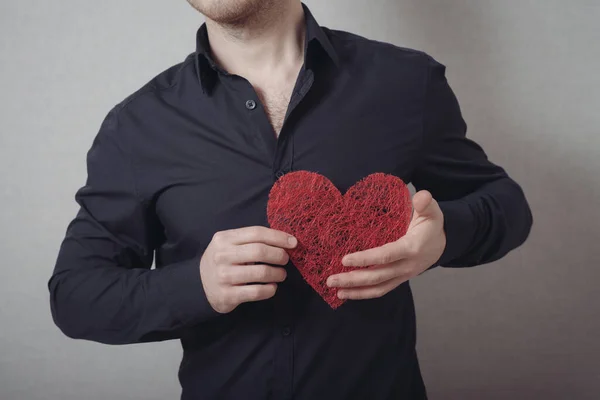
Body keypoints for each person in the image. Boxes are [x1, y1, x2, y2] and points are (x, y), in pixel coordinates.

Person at [48, 1, 533, 399]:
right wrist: (196, 286)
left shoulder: (406, 82)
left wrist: (445, 236)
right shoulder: (137, 128)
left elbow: (506, 204)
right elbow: (75, 296)